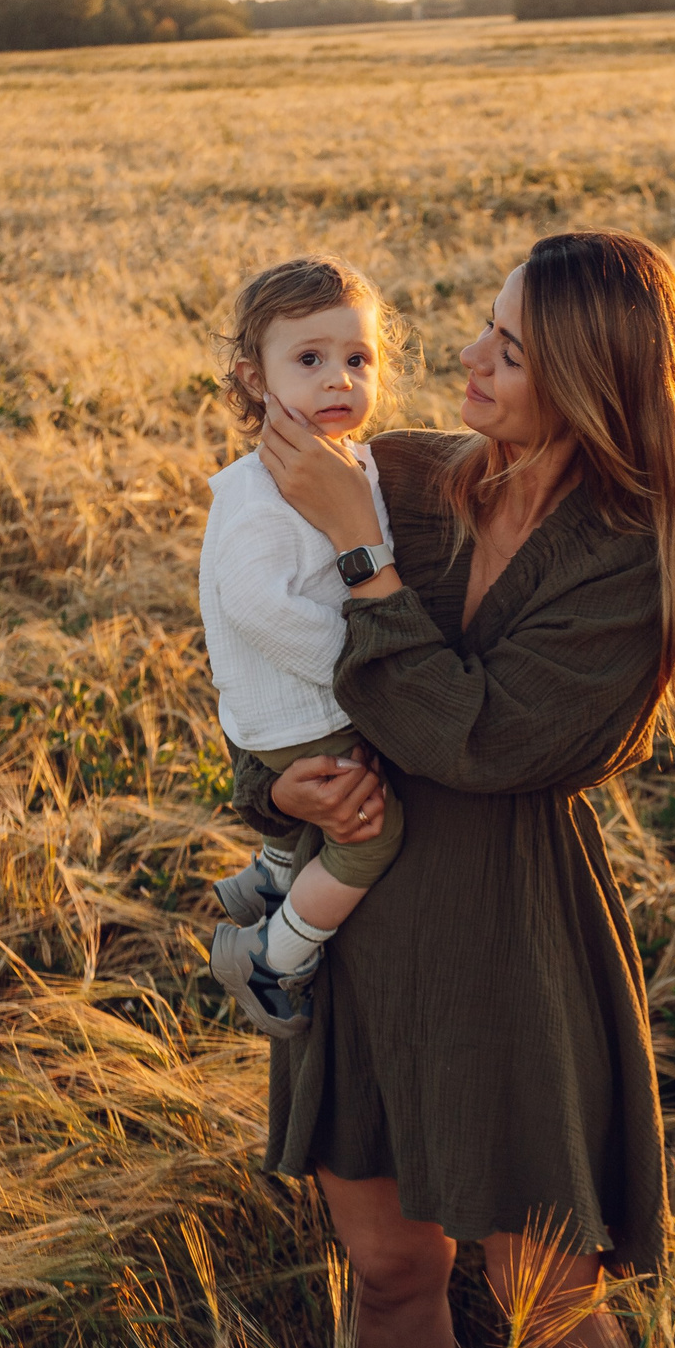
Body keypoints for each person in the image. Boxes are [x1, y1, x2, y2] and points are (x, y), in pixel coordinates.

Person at [229, 229, 675, 1348]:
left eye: (511, 348)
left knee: (544, 1290)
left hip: (506, 936)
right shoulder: (409, 478)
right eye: (484, 325)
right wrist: (274, 784)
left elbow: (477, 741)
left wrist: (361, 554)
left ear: (591, 382)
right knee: (391, 1271)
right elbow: (271, 667)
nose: (467, 360)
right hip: (360, 919)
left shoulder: (631, 558)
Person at [197, 256, 406, 1036]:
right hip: (301, 706)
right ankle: (272, 953)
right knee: (372, 831)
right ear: (256, 379)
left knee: (342, 813)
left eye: (358, 360)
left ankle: (277, 871)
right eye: (310, 360)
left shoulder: (349, 460)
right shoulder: (262, 491)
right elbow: (255, 605)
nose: (339, 381)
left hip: (299, 702)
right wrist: (363, 674)